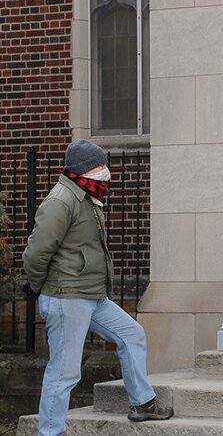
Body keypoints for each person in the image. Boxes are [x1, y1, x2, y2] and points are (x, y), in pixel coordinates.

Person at [22, 139, 173, 436]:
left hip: (91, 295)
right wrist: (39, 287)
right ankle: (50, 432)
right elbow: (36, 253)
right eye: (100, 165)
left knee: (132, 334)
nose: (106, 171)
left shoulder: (87, 195)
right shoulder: (61, 201)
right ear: (83, 169)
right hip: (67, 296)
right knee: (64, 373)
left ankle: (142, 403)